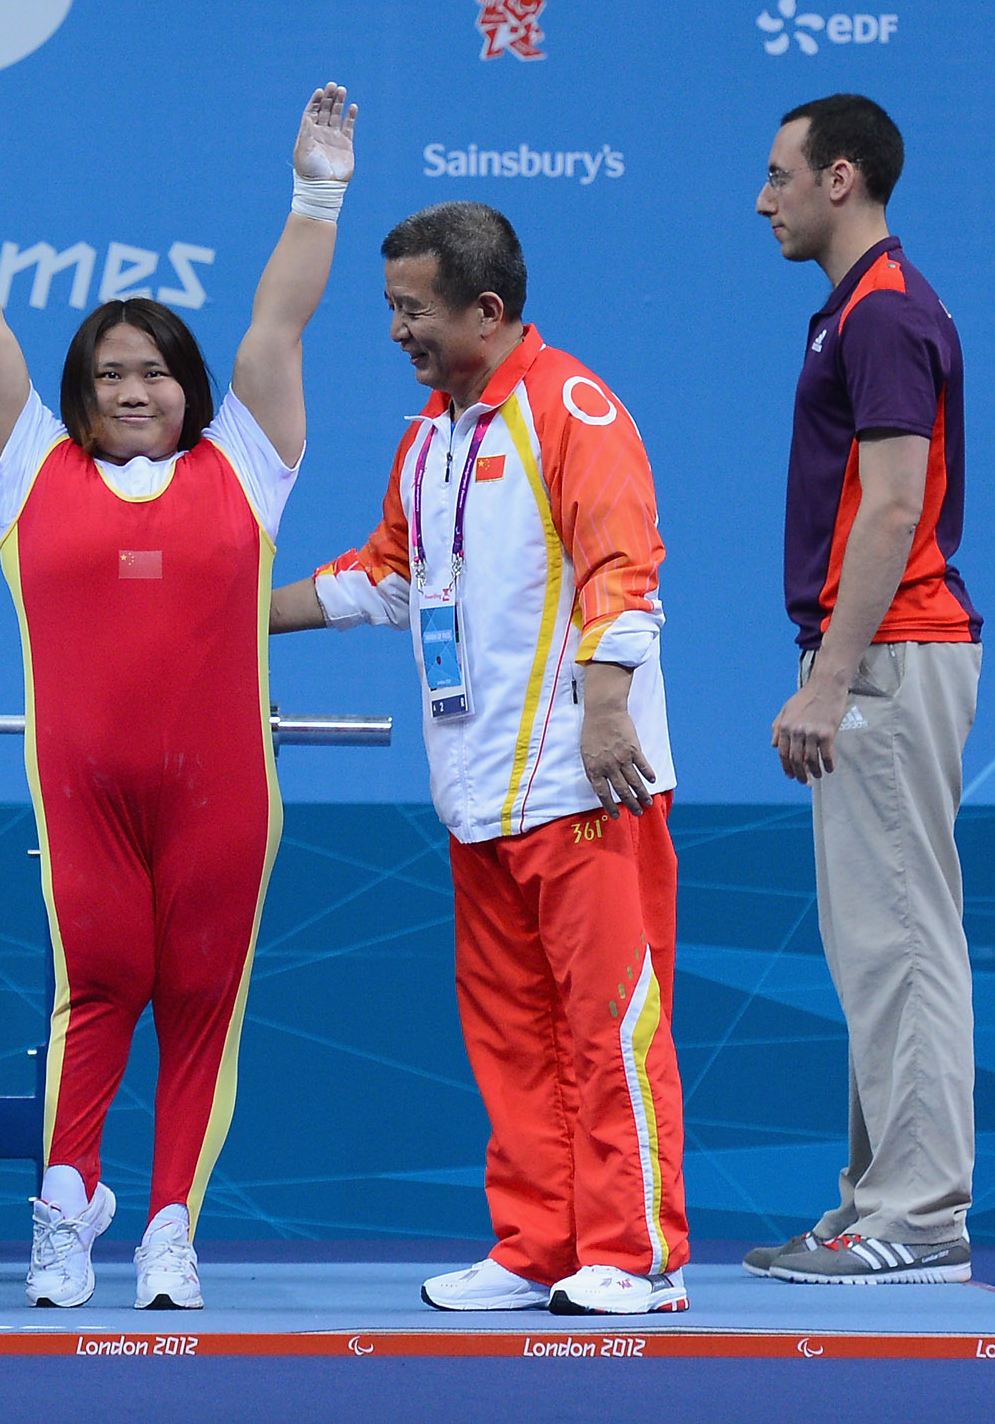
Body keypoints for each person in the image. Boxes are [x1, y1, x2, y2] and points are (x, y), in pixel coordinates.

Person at [0, 81, 351, 1312]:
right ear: (80, 390)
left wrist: (319, 187)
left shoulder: (249, 463)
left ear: (188, 386)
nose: (135, 389)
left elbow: (276, 329)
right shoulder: (25, 468)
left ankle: (171, 1223)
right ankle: (67, 1207)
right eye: (111, 372)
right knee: (100, 982)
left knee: (199, 1000)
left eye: (157, 372)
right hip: (86, 796)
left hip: (225, 793)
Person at [270, 201, 691, 1318]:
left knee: (608, 1022)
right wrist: (239, 610)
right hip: (478, 791)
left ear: (487, 309)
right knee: (512, 1032)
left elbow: (624, 567)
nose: (396, 329)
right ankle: (537, 1239)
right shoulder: (428, 438)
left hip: (580, 779)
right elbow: (387, 576)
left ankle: (634, 1251)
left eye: (412, 309)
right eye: (392, 307)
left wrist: (611, 712)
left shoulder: (572, 407)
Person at [748, 93, 983, 1285]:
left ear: (841, 178)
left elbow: (898, 504)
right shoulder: (852, 310)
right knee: (872, 943)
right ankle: (873, 1201)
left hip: (888, 653)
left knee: (904, 941)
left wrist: (831, 678)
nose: (763, 195)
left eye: (780, 173)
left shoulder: (884, 310)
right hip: (875, 652)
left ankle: (924, 1214)